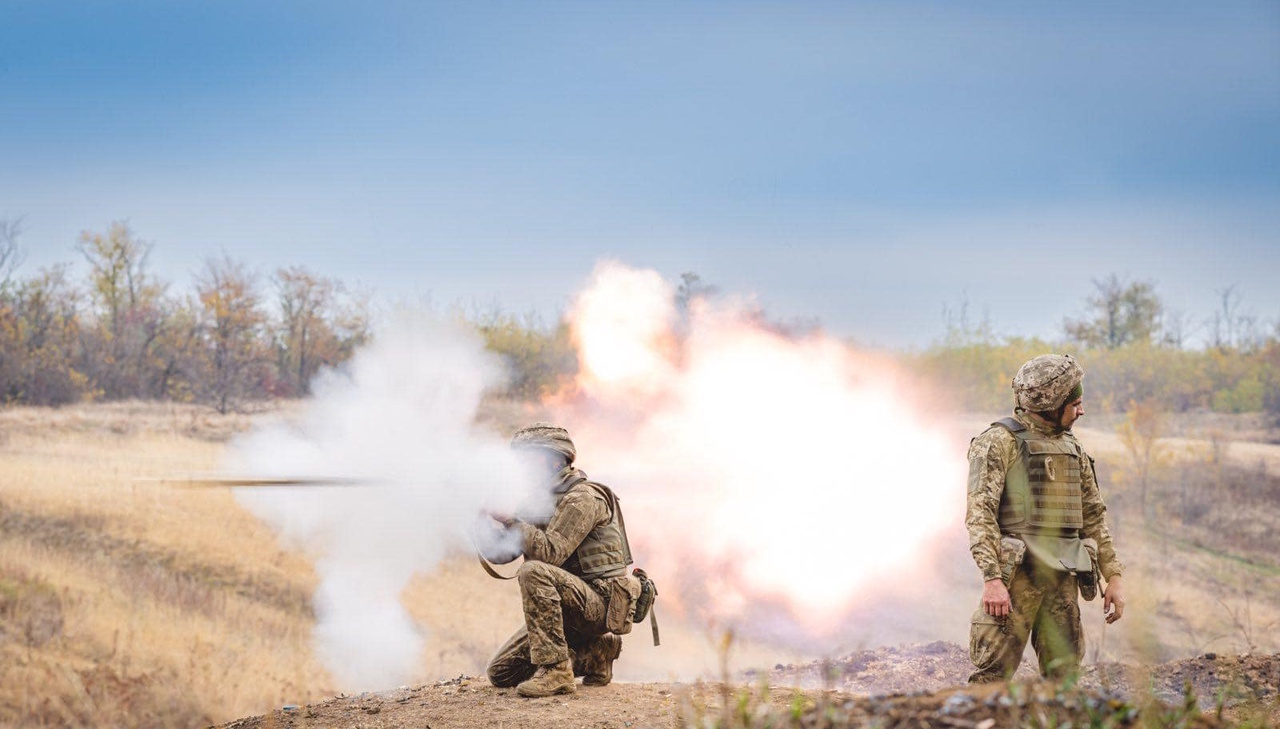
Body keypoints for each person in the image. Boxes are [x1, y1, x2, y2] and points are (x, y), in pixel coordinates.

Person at [966, 354, 1125, 683]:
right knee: (991, 680)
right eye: (1075, 404)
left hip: (1061, 579)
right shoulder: (998, 443)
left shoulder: (1073, 448)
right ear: (1052, 404)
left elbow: (1093, 516)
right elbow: (980, 515)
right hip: (1015, 580)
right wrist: (992, 580)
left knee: (1064, 681)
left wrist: (1114, 576)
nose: (1081, 411)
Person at [485, 423, 642, 698]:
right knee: (501, 673)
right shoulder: (536, 500)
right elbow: (501, 554)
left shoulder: (584, 497)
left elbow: (551, 552)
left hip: (602, 603)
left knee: (533, 571)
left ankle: (556, 671)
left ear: (554, 458)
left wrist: (510, 519)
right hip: (569, 607)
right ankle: (596, 653)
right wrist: (476, 518)